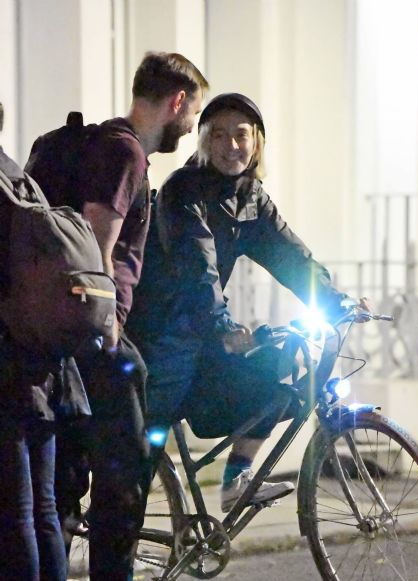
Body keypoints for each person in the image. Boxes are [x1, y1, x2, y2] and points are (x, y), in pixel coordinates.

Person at [127, 92, 371, 513]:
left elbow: (291, 256)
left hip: (204, 333)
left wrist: (336, 301)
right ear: (203, 141)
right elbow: (196, 268)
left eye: (241, 134)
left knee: (283, 374)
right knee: (141, 457)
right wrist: (224, 328)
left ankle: (235, 478)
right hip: (161, 335)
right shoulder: (183, 191)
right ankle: (119, 540)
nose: (231, 145)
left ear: (257, 141)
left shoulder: (251, 197)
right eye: (218, 135)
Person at [35, 52, 209, 580]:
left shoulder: (97, 143)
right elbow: (98, 240)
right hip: (94, 338)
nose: (190, 126)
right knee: (125, 479)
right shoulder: (125, 153)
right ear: (177, 102)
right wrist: (111, 332)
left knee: (64, 480)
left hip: (56, 337)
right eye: (193, 113)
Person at [0, 101, 73, 580]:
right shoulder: (18, 180)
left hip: (7, 367)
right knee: (43, 509)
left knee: (16, 515)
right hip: (45, 365)